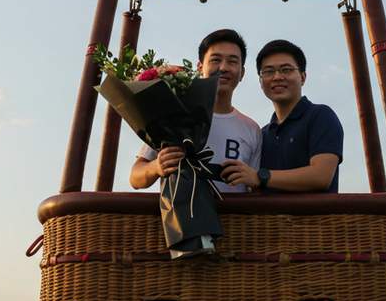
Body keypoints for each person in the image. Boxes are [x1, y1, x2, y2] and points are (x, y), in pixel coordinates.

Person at [129, 28, 262, 193]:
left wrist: (253, 179)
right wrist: (156, 167)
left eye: (233, 61)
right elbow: (135, 177)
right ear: (200, 67)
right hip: (182, 217)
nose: (224, 67)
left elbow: (255, 188)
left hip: (233, 218)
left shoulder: (252, 129)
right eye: (215, 60)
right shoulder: (174, 114)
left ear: (242, 73)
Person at [221, 39, 343, 193]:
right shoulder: (261, 134)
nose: (277, 77)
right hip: (270, 218)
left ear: (303, 77)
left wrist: (260, 177)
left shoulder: (321, 116)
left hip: (316, 217)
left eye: (286, 70)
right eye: (268, 71)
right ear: (260, 81)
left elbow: (321, 176)